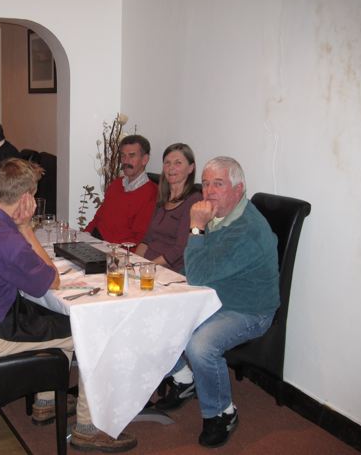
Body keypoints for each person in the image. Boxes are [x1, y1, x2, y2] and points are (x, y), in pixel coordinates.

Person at [0, 158, 137, 453]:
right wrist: (26, 228)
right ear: (27, 199)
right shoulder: (8, 240)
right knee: (90, 334)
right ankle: (88, 429)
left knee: (58, 322)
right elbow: (51, 280)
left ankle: (46, 401)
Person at [155, 156, 279, 448]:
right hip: (214, 296)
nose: (208, 191)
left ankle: (222, 412)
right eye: (206, 183)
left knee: (201, 346)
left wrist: (196, 227)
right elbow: (200, 269)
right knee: (153, 312)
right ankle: (184, 379)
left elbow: (197, 274)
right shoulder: (219, 214)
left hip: (248, 309)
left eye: (218, 184)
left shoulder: (247, 229)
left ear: (239, 189)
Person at [135, 143, 202, 273]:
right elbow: (147, 240)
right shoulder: (163, 197)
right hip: (147, 266)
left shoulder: (194, 201)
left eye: (178, 163)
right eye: (167, 163)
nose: (171, 168)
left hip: (170, 270)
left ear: (190, 168)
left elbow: (181, 248)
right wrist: (133, 262)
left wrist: (147, 267)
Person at [85, 134, 158, 244]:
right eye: (123, 156)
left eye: (132, 156)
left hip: (116, 250)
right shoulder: (117, 184)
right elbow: (98, 217)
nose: (126, 161)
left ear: (145, 159)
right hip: (95, 241)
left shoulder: (151, 193)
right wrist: (83, 236)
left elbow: (139, 238)